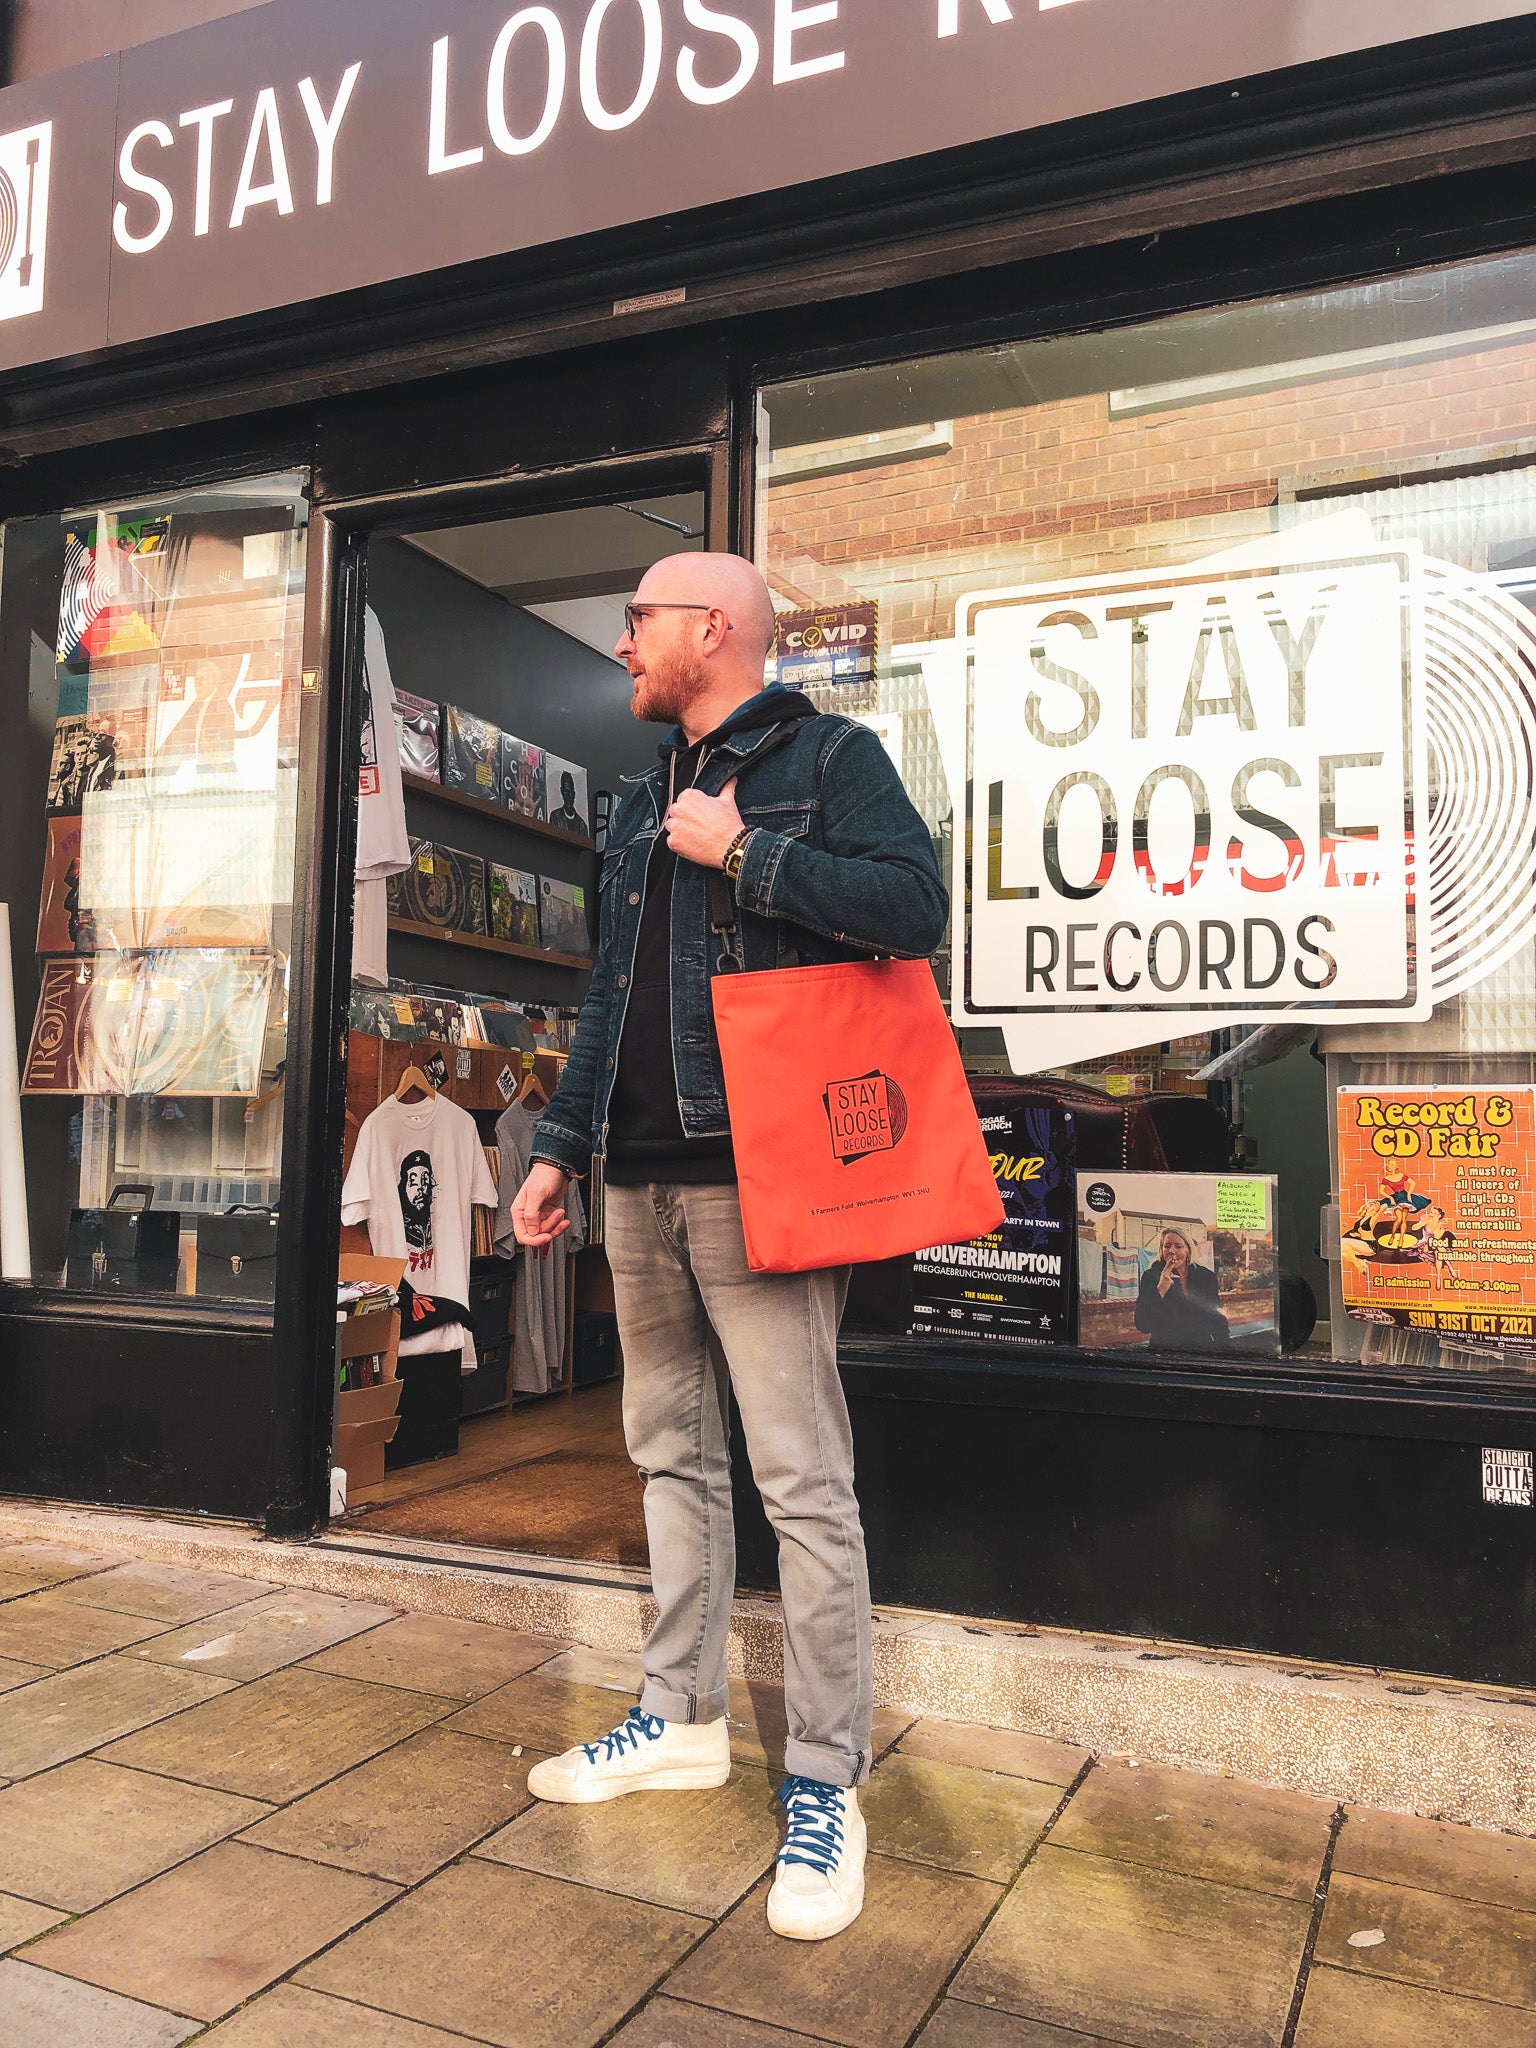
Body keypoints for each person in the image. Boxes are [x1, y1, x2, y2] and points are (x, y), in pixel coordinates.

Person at [511, 552, 946, 1942]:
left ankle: (826, 1780)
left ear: (713, 630)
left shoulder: (828, 758)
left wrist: (748, 853)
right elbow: (605, 998)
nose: (622, 641)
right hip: (634, 1183)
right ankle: (679, 1716)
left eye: (639, 620)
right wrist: (554, 1149)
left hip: (766, 1179)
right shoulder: (639, 798)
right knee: (668, 1458)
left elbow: (914, 908)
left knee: (804, 1485)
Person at [1134, 1226, 1230, 1350]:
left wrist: (1225, 1350)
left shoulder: (1206, 1277)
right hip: (1164, 1352)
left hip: (1201, 1350)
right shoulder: (1150, 1276)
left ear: (1188, 1250)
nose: (1171, 1251)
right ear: (1161, 1249)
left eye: (1178, 1246)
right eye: (1167, 1246)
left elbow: (1217, 1318)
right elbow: (1143, 1324)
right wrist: (1161, 1288)